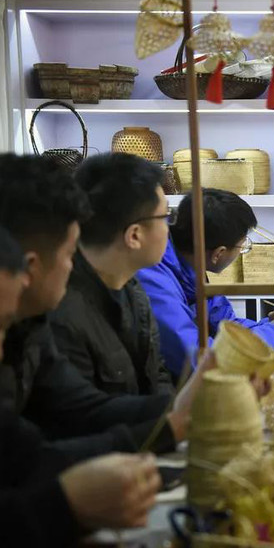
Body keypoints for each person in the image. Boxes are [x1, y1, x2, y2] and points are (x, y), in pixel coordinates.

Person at [0, 217, 162, 548]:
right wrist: (64, 505)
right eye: (69, 254)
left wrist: (174, 420)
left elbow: (32, 456)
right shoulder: (68, 315)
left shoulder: (35, 331)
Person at [0, 153, 202, 459]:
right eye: (69, 252)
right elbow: (41, 455)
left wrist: (192, 405)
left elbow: (83, 407)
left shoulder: (34, 325)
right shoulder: (60, 315)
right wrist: (173, 422)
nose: (72, 265)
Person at [137, 188, 274, 381]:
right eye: (242, 245)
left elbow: (225, 325)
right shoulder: (153, 279)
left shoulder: (188, 266)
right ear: (218, 253)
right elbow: (200, 360)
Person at [51, 153, 175, 397]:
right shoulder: (62, 314)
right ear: (135, 235)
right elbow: (85, 418)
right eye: (165, 216)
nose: (169, 227)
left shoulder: (132, 287)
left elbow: (157, 374)